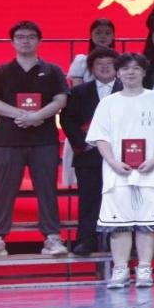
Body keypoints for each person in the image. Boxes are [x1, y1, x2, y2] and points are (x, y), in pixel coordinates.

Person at [0, 21, 70, 260]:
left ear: (39, 41)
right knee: (4, 190)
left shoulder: (52, 70)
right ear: (12, 42)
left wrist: (37, 116)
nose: (25, 41)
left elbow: (60, 100)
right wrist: (22, 115)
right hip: (7, 140)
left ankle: (52, 238)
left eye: (31, 37)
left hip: (44, 140)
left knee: (47, 189)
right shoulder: (0, 71)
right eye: (20, 37)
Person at [85, 53, 154, 288]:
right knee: (119, 224)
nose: (130, 72)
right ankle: (120, 269)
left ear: (144, 72)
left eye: (135, 68)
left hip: (151, 170)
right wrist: (113, 162)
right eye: (125, 69)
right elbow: (100, 137)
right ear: (118, 73)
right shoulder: (108, 103)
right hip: (117, 172)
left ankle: (144, 269)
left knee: (147, 223)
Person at [60, 47, 120, 256]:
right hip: (88, 154)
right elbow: (66, 119)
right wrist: (82, 143)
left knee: (120, 197)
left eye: (109, 64)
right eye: (99, 64)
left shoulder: (127, 90)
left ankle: (119, 240)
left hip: (120, 155)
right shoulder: (79, 91)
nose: (104, 68)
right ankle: (87, 239)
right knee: (89, 198)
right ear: (91, 68)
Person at [67, 18, 116, 86]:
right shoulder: (82, 61)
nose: (103, 36)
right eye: (98, 33)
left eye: (107, 33)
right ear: (91, 35)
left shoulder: (119, 61)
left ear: (113, 36)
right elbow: (77, 89)